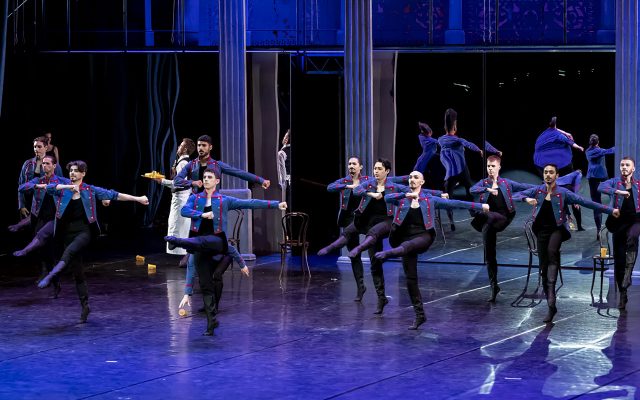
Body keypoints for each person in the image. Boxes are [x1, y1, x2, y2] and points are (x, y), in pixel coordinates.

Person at [165, 168, 286, 335]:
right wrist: (187, 294)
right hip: (199, 245)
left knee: (202, 243)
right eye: (204, 177)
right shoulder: (195, 198)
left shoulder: (224, 200)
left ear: (217, 181)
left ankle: (179, 242)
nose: (206, 179)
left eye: (209, 177)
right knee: (206, 285)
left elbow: (249, 203)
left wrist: (276, 204)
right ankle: (211, 323)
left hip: (217, 243)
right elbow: (184, 211)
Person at [37, 161, 149, 323]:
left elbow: (114, 195)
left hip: (84, 232)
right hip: (67, 234)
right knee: (77, 272)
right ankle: (85, 306)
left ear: (83, 174)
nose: (72, 173)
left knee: (69, 252)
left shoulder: (89, 190)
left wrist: (137, 198)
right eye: (71, 171)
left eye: (76, 171)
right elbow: (49, 188)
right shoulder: (63, 189)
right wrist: (69, 187)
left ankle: (52, 274)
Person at [376, 171, 488, 329]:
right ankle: (420, 315)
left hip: (423, 236)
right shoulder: (402, 199)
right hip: (405, 238)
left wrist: (480, 206)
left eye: (416, 177)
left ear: (422, 182)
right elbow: (387, 198)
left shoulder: (429, 200)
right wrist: (405, 196)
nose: (412, 179)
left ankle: (388, 253)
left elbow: (455, 203)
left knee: (408, 247)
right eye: (410, 177)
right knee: (410, 279)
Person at [516, 163, 619, 323]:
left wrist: (610, 210)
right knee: (543, 268)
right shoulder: (538, 190)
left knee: (552, 251)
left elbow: (586, 202)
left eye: (551, 172)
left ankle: (551, 299)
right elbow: (516, 195)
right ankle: (551, 303)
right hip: (541, 231)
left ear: (557, 176)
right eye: (545, 172)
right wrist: (526, 198)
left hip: (557, 230)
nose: (548, 175)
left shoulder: (563, 193)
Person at [318, 159, 412, 315]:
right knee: (348, 233)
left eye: (379, 168)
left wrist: (414, 179)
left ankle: (381, 297)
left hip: (382, 223)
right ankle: (332, 247)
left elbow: (407, 186)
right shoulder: (367, 184)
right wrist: (369, 192)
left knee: (375, 261)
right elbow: (349, 190)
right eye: (375, 168)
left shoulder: (389, 185)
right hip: (363, 220)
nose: (376, 171)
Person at [469, 155, 534, 302]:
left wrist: (542, 187)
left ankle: (478, 214)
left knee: (484, 214)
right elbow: (472, 189)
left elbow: (523, 186)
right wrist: (488, 189)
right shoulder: (483, 183)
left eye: (493, 166)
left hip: (503, 217)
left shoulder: (506, 183)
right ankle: (494, 286)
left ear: (499, 167)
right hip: (489, 221)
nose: (490, 169)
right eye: (488, 166)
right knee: (489, 255)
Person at [14, 154, 70, 291]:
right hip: (40, 217)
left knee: (46, 240)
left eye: (48, 163)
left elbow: (75, 186)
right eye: (43, 163)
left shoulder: (61, 180)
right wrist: (37, 185)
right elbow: (21, 187)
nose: (45, 166)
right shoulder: (39, 180)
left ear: (54, 166)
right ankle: (52, 279)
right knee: (44, 249)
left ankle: (26, 251)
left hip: (55, 218)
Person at [598, 157, 639, 310]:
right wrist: (618, 191)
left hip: (635, 222)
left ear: (633, 168)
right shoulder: (615, 182)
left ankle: (627, 279)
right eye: (622, 165)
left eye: (627, 165)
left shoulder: (638, 185)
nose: (624, 167)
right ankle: (623, 291)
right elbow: (601, 187)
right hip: (618, 223)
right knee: (619, 259)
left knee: (632, 239)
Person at [326, 156, 370, 301]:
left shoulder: (366, 181)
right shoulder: (344, 181)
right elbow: (330, 187)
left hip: (362, 219)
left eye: (354, 164)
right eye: (349, 164)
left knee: (369, 249)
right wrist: (347, 187)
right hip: (348, 220)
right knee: (354, 254)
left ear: (360, 167)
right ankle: (361, 286)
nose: (351, 166)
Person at [438, 108, 483, 231]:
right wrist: (478, 150)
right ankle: (472, 211)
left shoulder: (440, 140)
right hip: (462, 170)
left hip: (450, 174)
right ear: (455, 126)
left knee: (448, 196)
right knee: (469, 188)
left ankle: (451, 220)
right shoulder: (458, 140)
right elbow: (469, 144)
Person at [153, 138, 195, 265]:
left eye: (181, 145)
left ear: (185, 149)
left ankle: (185, 253)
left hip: (181, 197)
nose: (178, 147)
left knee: (178, 225)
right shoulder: (183, 162)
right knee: (180, 226)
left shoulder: (183, 163)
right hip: (182, 196)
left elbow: (179, 183)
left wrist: (162, 181)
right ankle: (186, 255)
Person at [18, 136, 63, 220]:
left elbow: (61, 185)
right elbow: (21, 184)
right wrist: (22, 205)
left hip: (47, 203)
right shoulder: (27, 163)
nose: (36, 149)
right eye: (35, 147)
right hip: (29, 202)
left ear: (46, 148)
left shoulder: (54, 164)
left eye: (39, 146)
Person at [586, 134, 615, 239]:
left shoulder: (587, 151)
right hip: (602, 176)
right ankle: (613, 219)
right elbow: (611, 150)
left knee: (596, 203)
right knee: (613, 195)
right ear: (598, 142)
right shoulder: (599, 151)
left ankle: (598, 229)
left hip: (592, 177)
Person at [277, 130, 291, 204]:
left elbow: (282, 173)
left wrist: (282, 185)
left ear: (286, 139)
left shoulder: (282, 153)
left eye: (285, 136)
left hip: (287, 184)